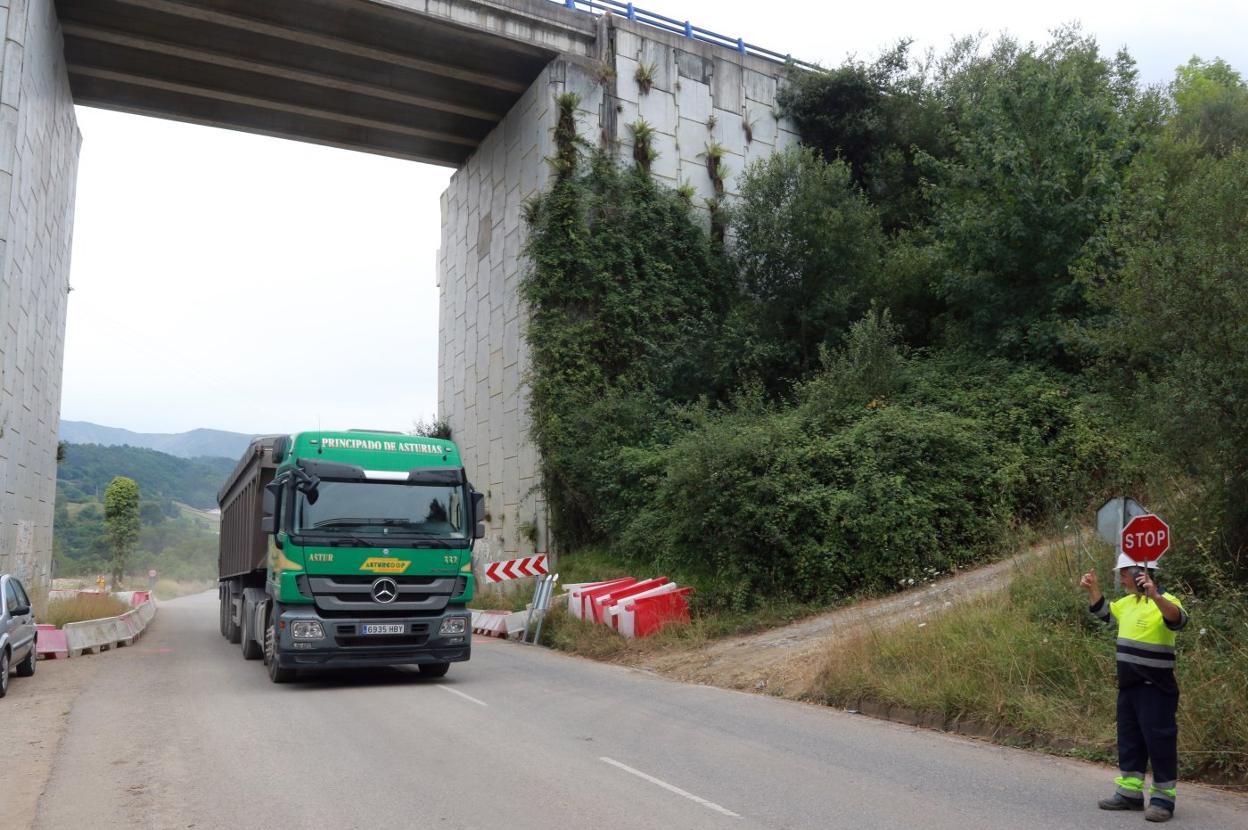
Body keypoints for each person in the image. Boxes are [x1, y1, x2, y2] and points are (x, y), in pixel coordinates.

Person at [1080, 555, 1189, 823]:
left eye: (1124, 574)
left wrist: (1156, 597)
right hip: (1128, 687)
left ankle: (1163, 799)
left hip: (1156, 688)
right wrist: (1092, 589)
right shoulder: (1127, 603)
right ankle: (1130, 793)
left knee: (1159, 742)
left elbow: (1178, 620)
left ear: (1142, 574)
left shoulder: (1168, 601)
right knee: (1130, 740)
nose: (1121, 578)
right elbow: (1104, 612)